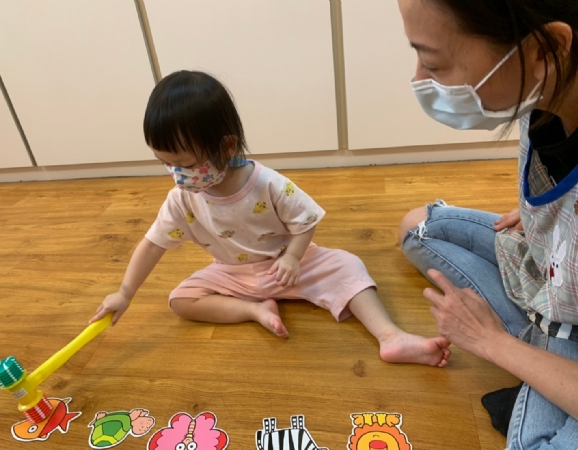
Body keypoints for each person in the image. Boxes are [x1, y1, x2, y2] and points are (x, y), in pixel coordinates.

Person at [90, 70, 451, 367]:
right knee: (181, 300)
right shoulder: (181, 199)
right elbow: (152, 245)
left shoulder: (267, 183)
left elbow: (306, 221)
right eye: (165, 163)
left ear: (227, 146)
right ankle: (253, 311)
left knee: (348, 266)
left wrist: (293, 257)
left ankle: (391, 337)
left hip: (290, 265)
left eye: (185, 163)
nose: (177, 174)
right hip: (232, 274)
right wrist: (124, 293)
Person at [396, 0, 578, 447]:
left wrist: (491, 342)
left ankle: (538, 348)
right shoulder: (546, 95)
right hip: (554, 279)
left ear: (545, 49)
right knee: (417, 226)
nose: (419, 79)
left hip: (565, 309)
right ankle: (540, 348)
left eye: (433, 62)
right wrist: (547, 217)